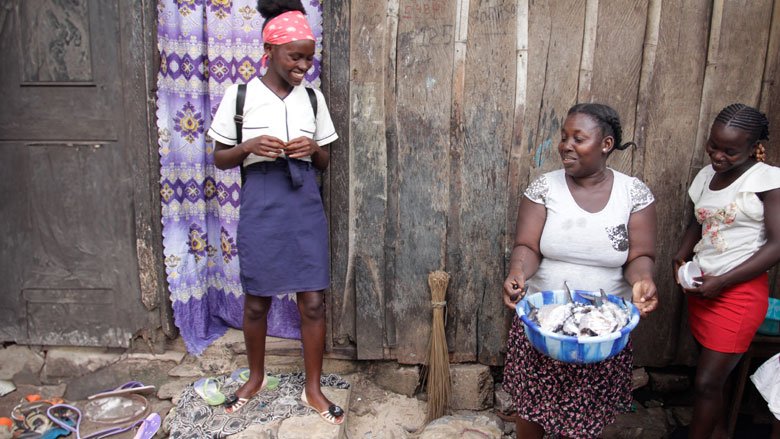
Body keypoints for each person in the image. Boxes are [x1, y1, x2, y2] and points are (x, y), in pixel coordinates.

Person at [207, 0, 344, 425]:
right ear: (269, 51)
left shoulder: (314, 100)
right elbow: (220, 158)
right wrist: (248, 147)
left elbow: (325, 163)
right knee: (255, 302)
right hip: (262, 202)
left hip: (303, 203)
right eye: (295, 56)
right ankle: (255, 377)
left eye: (309, 56)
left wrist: (314, 149)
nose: (304, 65)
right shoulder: (240, 96)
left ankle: (313, 388)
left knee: (313, 302)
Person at [502, 103, 659, 438]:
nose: (566, 145)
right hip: (543, 324)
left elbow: (640, 256)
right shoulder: (545, 187)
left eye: (578, 138)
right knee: (532, 406)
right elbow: (527, 247)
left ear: (606, 144)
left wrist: (643, 281)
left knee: (585, 411)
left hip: (600, 331)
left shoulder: (632, 193)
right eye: (563, 137)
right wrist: (518, 272)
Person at [673, 103, 779, 438]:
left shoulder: (767, 180)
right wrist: (680, 256)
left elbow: (777, 245)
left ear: (753, 147)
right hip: (703, 287)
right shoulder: (707, 175)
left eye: (730, 151)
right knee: (714, 381)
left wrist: (725, 281)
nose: (718, 155)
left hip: (738, 294)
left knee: (706, 383)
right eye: (713, 146)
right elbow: (700, 220)